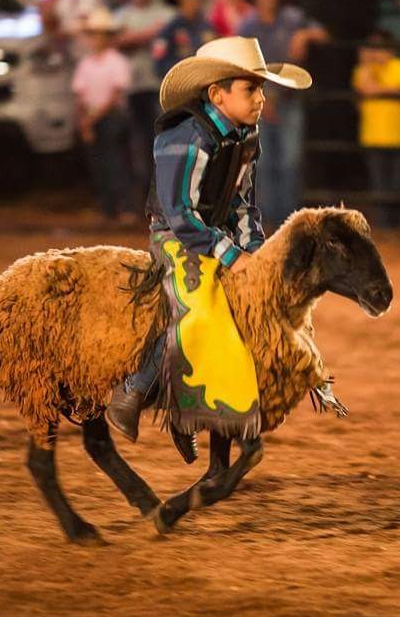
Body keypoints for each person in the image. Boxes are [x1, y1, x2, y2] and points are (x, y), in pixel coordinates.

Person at [105, 35, 311, 447]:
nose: (260, 100)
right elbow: (180, 213)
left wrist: (256, 252)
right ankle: (133, 389)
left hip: (214, 236)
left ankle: (195, 409)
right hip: (175, 237)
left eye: (262, 90)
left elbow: (242, 205)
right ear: (217, 94)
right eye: (251, 89)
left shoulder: (246, 137)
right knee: (199, 307)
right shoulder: (185, 137)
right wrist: (231, 256)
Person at [237, 0, 327, 228]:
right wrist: (259, 99)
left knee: (290, 160)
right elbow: (242, 66)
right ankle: (268, 219)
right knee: (264, 162)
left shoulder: (293, 19)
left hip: (288, 98)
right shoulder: (247, 26)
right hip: (261, 101)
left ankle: (288, 219)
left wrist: (305, 35)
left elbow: (323, 33)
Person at [116, 0, 175, 207]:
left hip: (161, 89)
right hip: (131, 89)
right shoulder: (122, 14)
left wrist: (133, 37)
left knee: (163, 146)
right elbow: (116, 41)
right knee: (135, 147)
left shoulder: (168, 13)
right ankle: (139, 203)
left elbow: (173, 43)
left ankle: (164, 203)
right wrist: (151, 33)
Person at [73, 7, 132, 220]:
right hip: (94, 118)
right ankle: (107, 207)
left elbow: (115, 97)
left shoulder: (116, 61)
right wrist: (84, 121)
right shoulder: (86, 63)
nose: (96, 39)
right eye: (93, 34)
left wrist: (89, 120)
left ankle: (123, 207)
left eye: (100, 34)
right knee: (98, 164)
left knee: (115, 162)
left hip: (112, 118)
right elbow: (80, 95)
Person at [352, 29, 400, 229]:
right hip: (373, 136)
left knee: (399, 183)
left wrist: (377, 88)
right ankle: (386, 227)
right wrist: (368, 65)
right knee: (379, 183)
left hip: (399, 135)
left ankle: (397, 223)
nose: (376, 52)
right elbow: (366, 89)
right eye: (373, 48)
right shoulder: (362, 70)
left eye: (380, 47)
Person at [152, 0, 215, 78]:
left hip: (205, 81)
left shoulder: (207, 27)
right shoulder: (170, 28)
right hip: (178, 82)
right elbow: (159, 64)